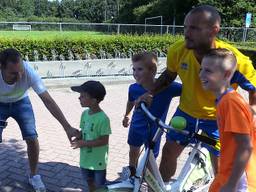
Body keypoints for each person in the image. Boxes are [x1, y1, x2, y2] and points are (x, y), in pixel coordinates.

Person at [138, 5, 256, 182]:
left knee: (221, 166)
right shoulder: (178, 51)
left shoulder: (232, 60)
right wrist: (150, 92)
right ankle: (161, 186)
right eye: (185, 27)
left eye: (194, 28)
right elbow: (169, 75)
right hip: (187, 113)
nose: (186, 33)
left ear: (213, 30)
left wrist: (253, 109)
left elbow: (253, 87)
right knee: (168, 152)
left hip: (217, 119)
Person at [0, 48, 78, 191]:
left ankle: (34, 176)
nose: (19, 76)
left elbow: (48, 101)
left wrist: (67, 126)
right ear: (1, 67)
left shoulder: (28, 73)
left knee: (32, 137)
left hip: (21, 102)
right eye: (13, 73)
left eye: (20, 70)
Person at [199, 48, 256, 192]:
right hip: (230, 173)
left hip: (239, 181)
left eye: (208, 71)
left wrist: (231, 184)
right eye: (201, 69)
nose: (201, 75)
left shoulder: (230, 103)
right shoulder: (226, 100)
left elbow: (245, 146)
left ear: (227, 74)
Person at [122, 52, 182, 178]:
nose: (135, 73)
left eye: (140, 69)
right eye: (134, 69)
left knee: (150, 158)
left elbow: (188, 89)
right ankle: (131, 173)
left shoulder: (169, 88)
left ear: (153, 70)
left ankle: (148, 179)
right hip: (136, 127)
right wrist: (126, 115)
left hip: (154, 131)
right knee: (133, 150)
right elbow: (131, 101)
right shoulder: (133, 88)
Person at [70, 80, 111, 192]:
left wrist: (84, 143)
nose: (79, 98)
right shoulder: (84, 114)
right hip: (86, 159)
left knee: (100, 185)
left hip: (98, 161)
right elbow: (84, 132)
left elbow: (104, 141)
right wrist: (78, 136)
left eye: (83, 96)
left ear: (93, 100)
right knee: (89, 181)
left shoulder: (103, 119)